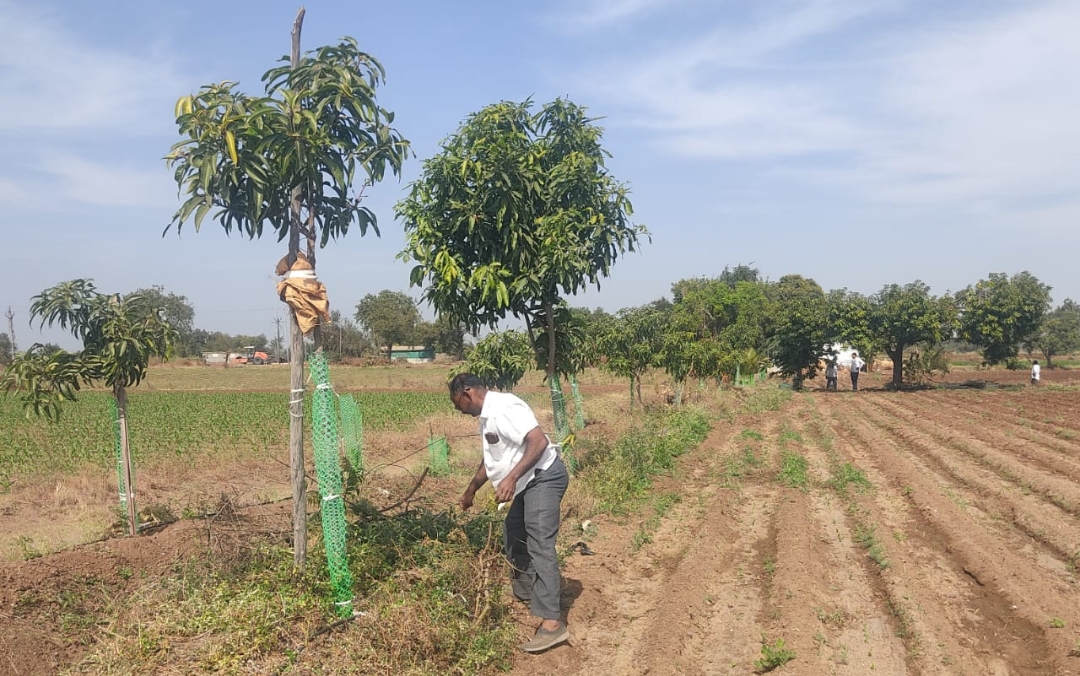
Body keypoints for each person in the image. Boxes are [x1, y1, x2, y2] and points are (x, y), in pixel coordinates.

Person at [449, 373, 571, 653]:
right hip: (527, 482)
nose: (458, 409)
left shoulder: (505, 407)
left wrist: (512, 478)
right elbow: (492, 459)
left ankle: (553, 624)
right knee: (514, 534)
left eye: (457, 403)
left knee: (539, 542)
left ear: (467, 393)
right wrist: (470, 491)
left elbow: (538, 441)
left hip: (543, 477)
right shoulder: (487, 417)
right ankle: (529, 595)